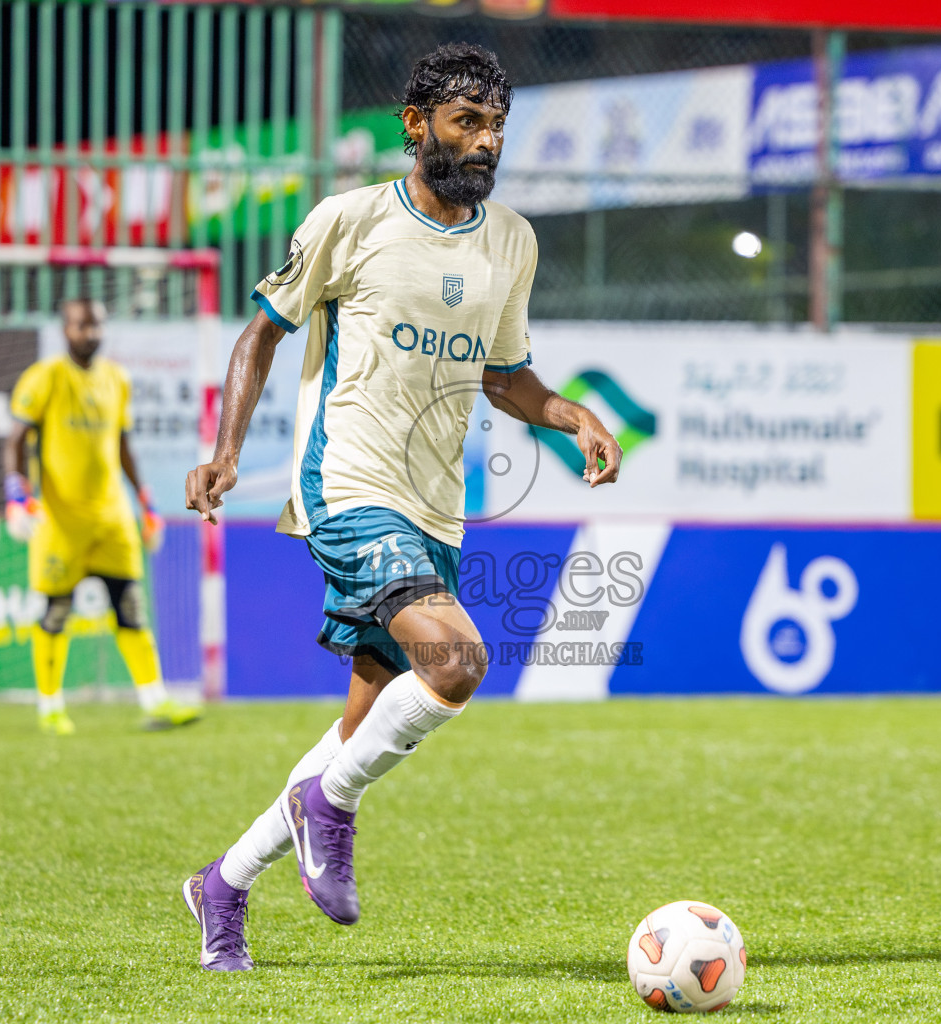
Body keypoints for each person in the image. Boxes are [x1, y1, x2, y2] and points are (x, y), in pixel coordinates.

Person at [180, 43, 623, 971]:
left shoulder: (513, 241)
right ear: (416, 124)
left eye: (496, 125)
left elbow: (505, 378)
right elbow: (261, 333)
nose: (486, 141)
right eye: (468, 122)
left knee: (360, 727)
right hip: (348, 484)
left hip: (435, 509)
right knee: (457, 661)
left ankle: (223, 883)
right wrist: (225, 454)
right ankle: (328, 810)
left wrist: (566, 412)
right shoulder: (350, 220)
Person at [3, 298, 201, 735]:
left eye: (95, 326)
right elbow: (15, 440)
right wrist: (16, 497)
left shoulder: (117, 379)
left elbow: (123, 445)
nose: (89, 333)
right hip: (60, 518)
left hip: (112, 516)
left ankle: (156, 701)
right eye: (80, 326)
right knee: (56, 613)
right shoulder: (45, 377)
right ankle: (50, 707)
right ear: (65, 329)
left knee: (131, 606)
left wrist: (146, 503)